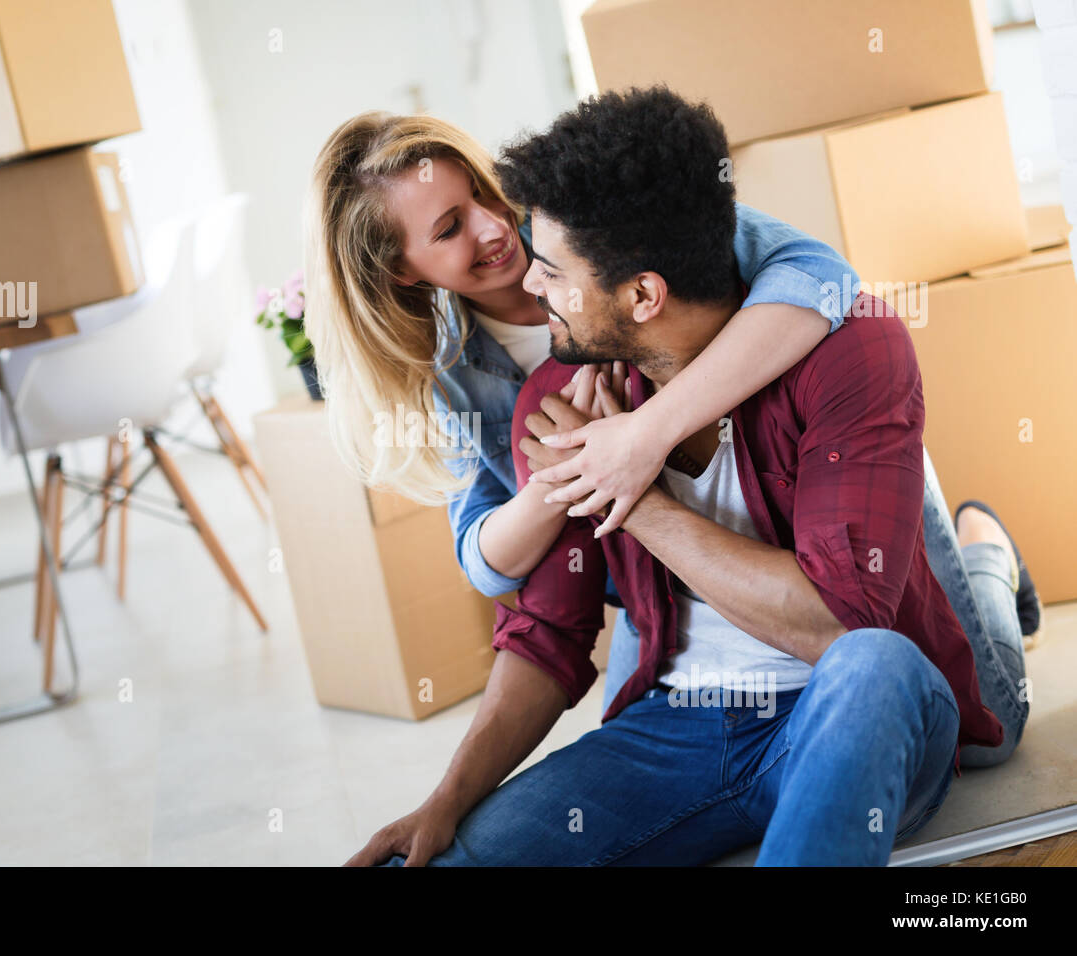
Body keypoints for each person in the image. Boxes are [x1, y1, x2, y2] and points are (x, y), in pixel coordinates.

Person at [348, 86, 1031, 867]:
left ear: (643, 292)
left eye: (553, 269)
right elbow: (547, 628)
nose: (531, 287)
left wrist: (630, 492)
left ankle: (983, 552)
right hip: (676, 727)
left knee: (930, 682)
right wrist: (446, 799)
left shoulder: (849, 340)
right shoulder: (558, 395)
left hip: (839, 698)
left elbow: (845, 625)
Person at [304, 110, 859, 677]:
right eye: (449, 229)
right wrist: (569, 469)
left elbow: (823, 278)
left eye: (479, 190)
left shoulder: (587, 221)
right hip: (664, 600)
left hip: (787, 544)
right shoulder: (447, 372)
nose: (494, 225)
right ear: (401, 270)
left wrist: (644, 435)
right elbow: (485, 562)